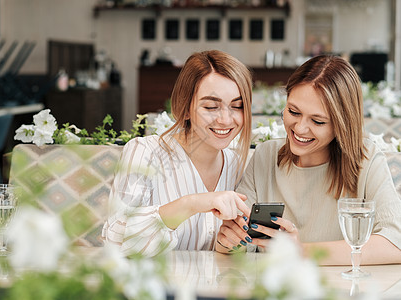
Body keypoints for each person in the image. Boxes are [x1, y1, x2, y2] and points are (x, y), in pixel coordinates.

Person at [216, 55, 401, 265]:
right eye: (293, 111)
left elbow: (396, 245)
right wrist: (227, 242)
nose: (300, 128)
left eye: (318, 121)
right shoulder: (266, 156)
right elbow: (239, 242)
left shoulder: (365, 161)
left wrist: (301, 251)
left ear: (342, 123)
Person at [102, 50, 253, 257]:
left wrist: (230, 245)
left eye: (238, 106)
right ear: (186, 108)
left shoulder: (237, 165)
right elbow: (115, 240)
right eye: (211, 106)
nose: (226, 120)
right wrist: (191, 203)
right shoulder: (145, 153)